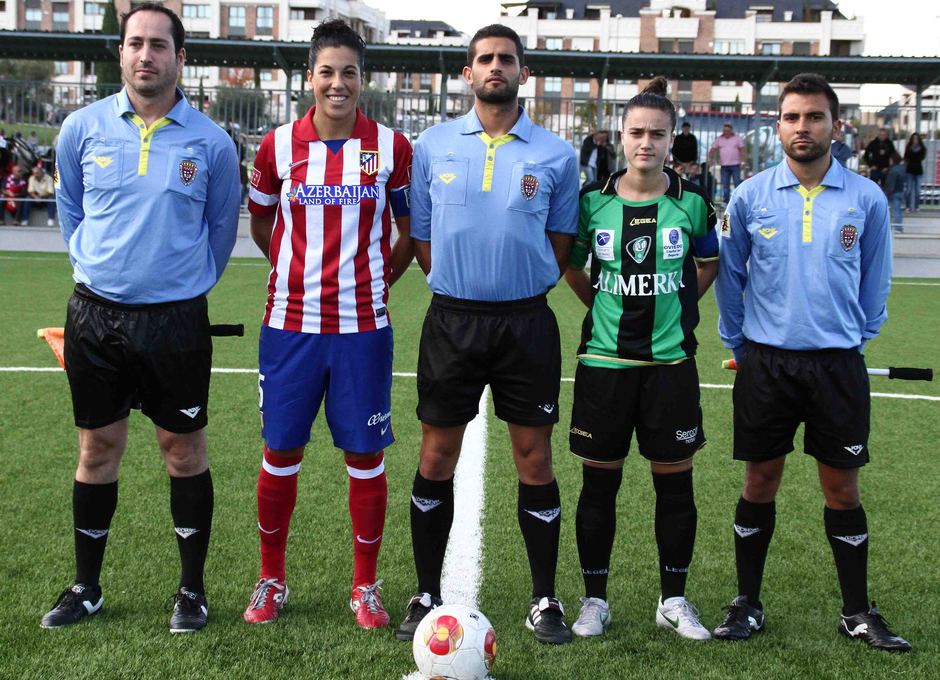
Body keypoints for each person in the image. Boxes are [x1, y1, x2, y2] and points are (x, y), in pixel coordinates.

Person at [41, 2, 241, 633]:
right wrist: (100, 270)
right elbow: (71, 210)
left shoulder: (211, 142)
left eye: (159, 45)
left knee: (182, 450)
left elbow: (220, 230)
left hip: (176, 323)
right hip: (94, 319)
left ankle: (191, 590)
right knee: (96, 448)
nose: (146, 54)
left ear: (181, 58)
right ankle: (86, 585)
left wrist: (178, 286)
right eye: (135, 43)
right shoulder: (81, 128)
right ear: (120, 53)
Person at [395, 23, 580, 645]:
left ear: (523, 73)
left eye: (506, 59)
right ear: (467, 74)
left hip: (526, 323)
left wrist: (515, 281)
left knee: (535, 458)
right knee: (435, 455)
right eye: (484, 59)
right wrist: (458, 279)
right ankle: (425, 592)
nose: (495, 67)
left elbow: (560, 245)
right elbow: (420, 237)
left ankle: (545, 596)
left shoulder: (555, 154)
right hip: (452, 320)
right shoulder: (432, 145)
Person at [713, 73, 910, 652]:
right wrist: (739, 343)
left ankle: (856, 611)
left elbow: (877, 283)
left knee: (842, 490)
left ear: (836, 125)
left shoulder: (866, 198)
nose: (804, 127)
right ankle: (747, 603)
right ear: (777, 126)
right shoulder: (749, 196)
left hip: (837, 367)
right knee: (759, 482)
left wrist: (854, 337)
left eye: (815, 117)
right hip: (765, 365)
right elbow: (731, 277)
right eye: (793, 117)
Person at [242, 19, 414, 630]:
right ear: (309, 77)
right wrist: (298, 274)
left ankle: (364, 587)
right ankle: (270, 578)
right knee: (280, 450)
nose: (337, 83)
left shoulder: (391, 147)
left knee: (365, 455)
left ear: (362, 79)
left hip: (364, 330)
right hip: (289, 327)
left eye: (349, 72)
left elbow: (407, 233)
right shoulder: (276, 145)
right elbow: (264, 227)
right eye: (327, 71)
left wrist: (373, 283)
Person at [564, 76, 719, 642]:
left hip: (670, 366)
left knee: (674, 485)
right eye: (636, 132)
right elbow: (574, 267)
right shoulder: (593, 202)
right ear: (620, 137)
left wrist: (676, 305)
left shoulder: (693, 204)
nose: (645, 143)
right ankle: (594, 599)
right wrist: (607, 304)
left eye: (657, 133)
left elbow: (708, 265)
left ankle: (673, 599)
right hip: (605, 364)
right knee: (599, 484)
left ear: (672, 138)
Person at [708, 122, 745, 203]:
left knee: (737, 183)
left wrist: (742, 162)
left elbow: (742, 150)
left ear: (731, 131)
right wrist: (709, 158)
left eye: (728, 130)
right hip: (724, 166)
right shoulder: (719, 139)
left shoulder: (737, 138)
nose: (726, 132)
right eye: (725, 130)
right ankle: (726, 201)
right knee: (725, 185)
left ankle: (739, 200)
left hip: (735, 165)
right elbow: (713, 149)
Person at [23, 162, 56, 226]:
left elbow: (50, 192)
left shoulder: (49, 178)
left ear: (42, 172)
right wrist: (36, 197)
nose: (36, 174)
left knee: (51, 199)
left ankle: (51, 219)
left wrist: (40, 197)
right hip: (35, 198)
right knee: (27, 199)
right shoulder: (32, 178)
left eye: (37, 173)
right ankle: (25, 220)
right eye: (34, 173)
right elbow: (30, 191)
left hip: (45, 197)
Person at [884, 152, 906, 233]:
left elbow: (891, 183)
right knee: (898, 211)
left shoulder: (893, 170)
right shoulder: (902, 168)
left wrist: (887, 193)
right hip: (900, 191)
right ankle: (899, 227)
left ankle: (897, 228)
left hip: (894, 193)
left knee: (894, 211)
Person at [903, 132, 925, 212]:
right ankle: (907, 206)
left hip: (918, 171)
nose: (915, 140)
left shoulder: (922, 148)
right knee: (908, 190)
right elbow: (906, 157)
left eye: (916, 138)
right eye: (914, 138)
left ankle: (916, 206)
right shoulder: (908, 147)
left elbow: (921, 157)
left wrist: (913, 156)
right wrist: (913, 157)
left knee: (918, 190)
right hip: (909, 170)